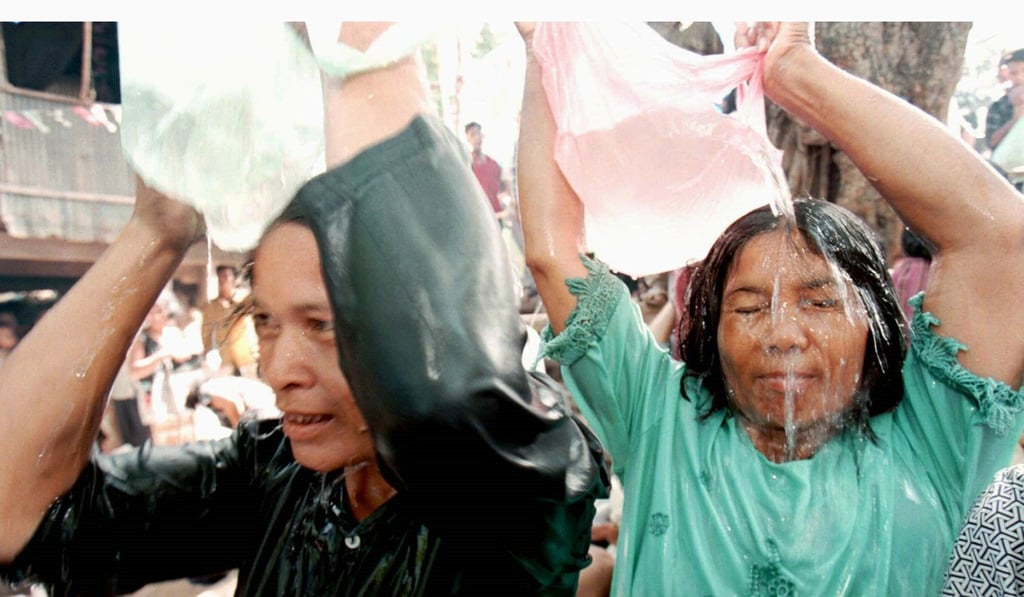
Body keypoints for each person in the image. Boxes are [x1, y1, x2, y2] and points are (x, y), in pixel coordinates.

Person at [0, 21, 607, 596]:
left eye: (325, 325)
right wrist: (157, 231)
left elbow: (442, 398)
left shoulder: (510, 487)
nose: (275, 371)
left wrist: (358, 43)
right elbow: (17, 512)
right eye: (265, 321)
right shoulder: (271, 472)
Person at [516, 21, 1024, 595]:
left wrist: (798, 73)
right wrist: (547, 44)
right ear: (711, 331)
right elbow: (552, 253)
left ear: (875, 325)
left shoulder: (934, 435)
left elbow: (1002, 239)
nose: (783, 333)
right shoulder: (661, 417)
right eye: (749, 307)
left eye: (821, 301)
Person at [200, 264, 258, 379]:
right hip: (225, 358)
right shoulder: (211, 307)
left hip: (246, 355)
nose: (223, 280)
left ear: (233, 279)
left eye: (226, 276)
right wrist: (207, 354)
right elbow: (206, 333)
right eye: (220, 277)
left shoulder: (243, 299)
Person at [465, 121, 510, 221]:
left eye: (478, 134)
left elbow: (506, 188)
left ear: (482, 136)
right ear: (468, 139)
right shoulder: (466, 166)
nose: (476, 138)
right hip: (480, 221)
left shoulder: (494, 165)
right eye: (472, 135)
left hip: (498, 217)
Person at [985, 48, 1024, 152]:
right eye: (1014, 73)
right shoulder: (998, 107)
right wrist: (1016, 119)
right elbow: (992, 142)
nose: (1020, 78)